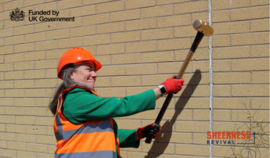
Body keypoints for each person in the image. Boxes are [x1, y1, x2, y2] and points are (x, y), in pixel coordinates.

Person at [49, 48, 185, 158]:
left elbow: (105, 134)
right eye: (89, 69)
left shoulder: (81, 99)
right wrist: (163, 89)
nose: (95, 74)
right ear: (71, 74)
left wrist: (140, 133)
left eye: (94, 70)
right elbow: (121, 105)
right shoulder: (75, 99)